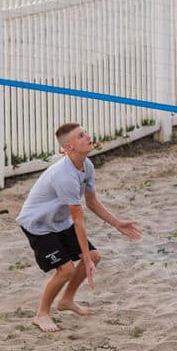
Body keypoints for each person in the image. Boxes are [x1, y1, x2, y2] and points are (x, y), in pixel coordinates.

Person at [17, 123, 141, 333]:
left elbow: (91, 202)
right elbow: (79, 220)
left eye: (85, 133)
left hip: (59, 221)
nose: (88, 137)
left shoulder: (87, 165)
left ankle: (66, 300)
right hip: (38, 225)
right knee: (66, 270)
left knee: (94, 256)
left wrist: (117, 223)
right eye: (80, 136)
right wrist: (84, 257)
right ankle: (42, 314)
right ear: (68, 147)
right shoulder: (63, 175)